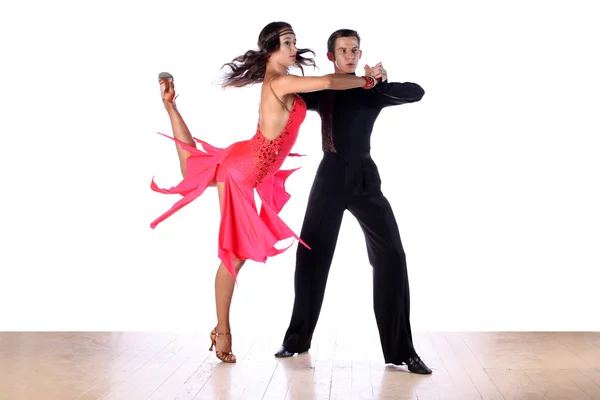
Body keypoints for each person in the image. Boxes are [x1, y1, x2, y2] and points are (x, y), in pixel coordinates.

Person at [149, 22, 380, 364]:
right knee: (235, 255)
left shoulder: (281, 79)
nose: (293, 49)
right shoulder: (279, 81)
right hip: (244, 173)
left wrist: (361, 82)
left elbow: (328, 86)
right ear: (271, 50)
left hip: (250, 157)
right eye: (287, 43)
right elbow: (330, 81)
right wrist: (368, 79)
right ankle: (222, 331)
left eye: (294, 43)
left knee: (193, 171)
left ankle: (170, 106)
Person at [273, 29, 432, 375]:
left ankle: (402, 351)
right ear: (331, 57)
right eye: (343, 50)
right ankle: (297, 339)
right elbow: (286, 91)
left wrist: (382, 82)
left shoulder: (370, 90)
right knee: (311, 255)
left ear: (360, 55)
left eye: (355, 50)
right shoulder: (326, 90)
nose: (350, 55)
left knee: (392, 256)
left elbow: (416, 93)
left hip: (365, 180)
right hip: (329, 178)